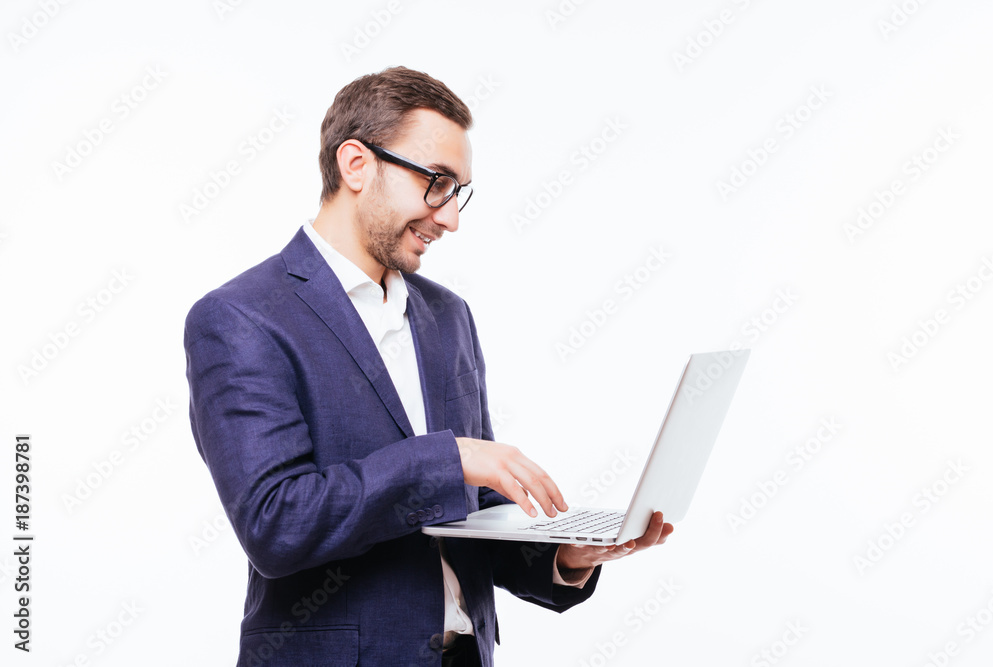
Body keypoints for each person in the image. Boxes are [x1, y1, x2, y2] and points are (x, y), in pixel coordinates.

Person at [184, 66, 672, 667]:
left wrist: (562, 558)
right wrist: (447, 457)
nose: (450, 217)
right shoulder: (240, 318)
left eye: (458, 191)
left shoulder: (448, 315)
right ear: (356, 165)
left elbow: (471, 512)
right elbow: (277, 525)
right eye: (436, 183)